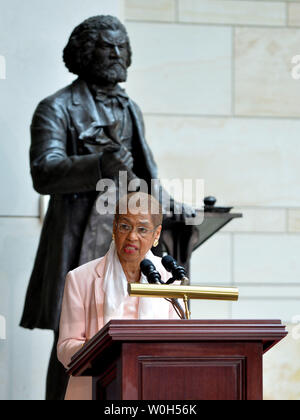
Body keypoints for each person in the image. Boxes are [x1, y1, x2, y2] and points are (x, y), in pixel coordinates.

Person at [20, 15, 194, 400]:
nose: (117, 54)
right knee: (72, 346)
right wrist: (98, 165)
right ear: (85, 53)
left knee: (133, 340)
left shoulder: (130, 108)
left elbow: (146, 177)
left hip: (130, 244)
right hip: (78, 239)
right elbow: (43, 172)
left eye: (122, 46)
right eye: (106, 46)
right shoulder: (56, 108)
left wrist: (181, 211)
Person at [57, 192, 178, 400]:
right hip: (96, 390)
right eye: (124, 226)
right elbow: (65, 348)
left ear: (156, 235)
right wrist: (104, 350)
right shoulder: (80, 278)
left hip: (154, 390)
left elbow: (179, 342)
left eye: (142, 229)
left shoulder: (169, 278)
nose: (132, 236)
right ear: (114, 228)